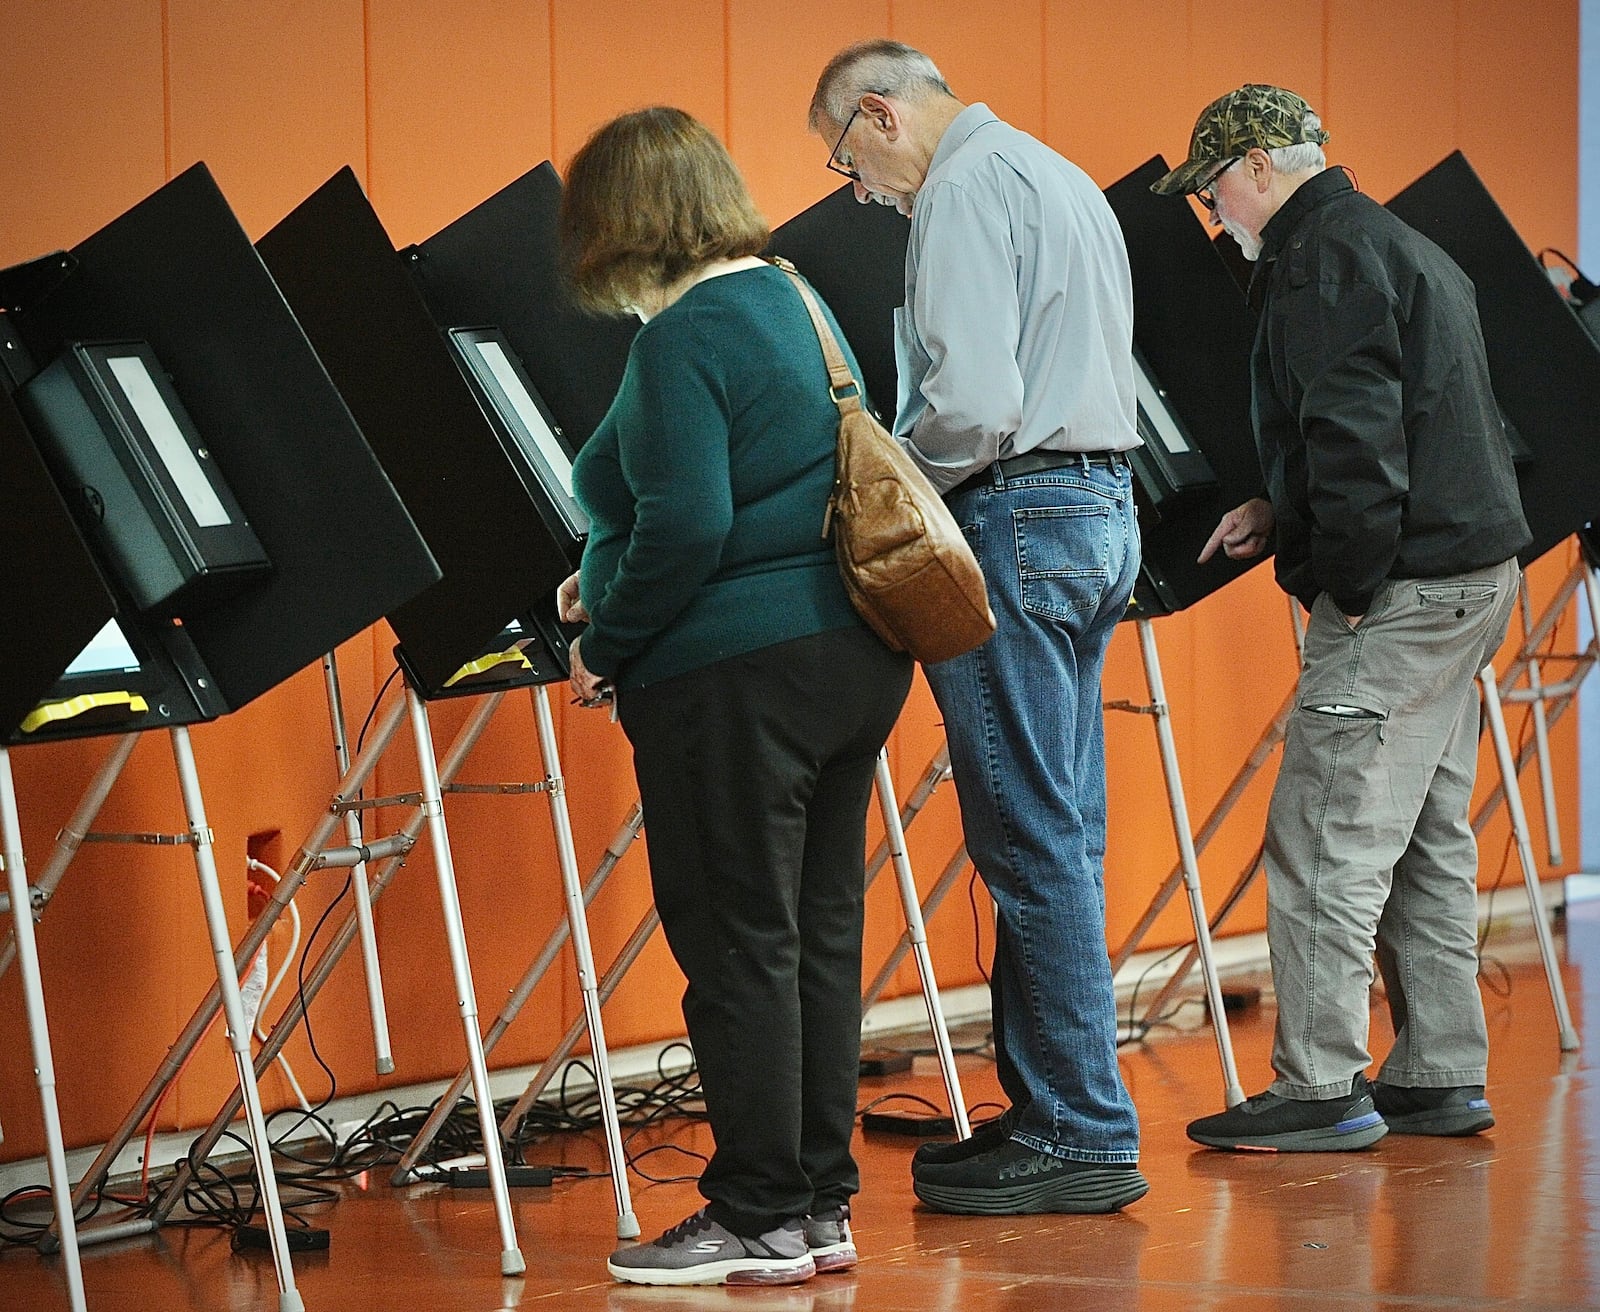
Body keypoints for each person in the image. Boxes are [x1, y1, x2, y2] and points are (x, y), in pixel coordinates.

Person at [556, 107, 913, 1283]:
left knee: (737, 942)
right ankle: (815, 1205)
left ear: (620, 223)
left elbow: (692, 524)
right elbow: (758, 486)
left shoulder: (681, 338)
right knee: (815, 932)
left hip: (732, 675)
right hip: (849, 655)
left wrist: (607, 638)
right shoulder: (793, 302)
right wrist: (599, 573)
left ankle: (755, 1210)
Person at [1151, 85, 1531, 1150]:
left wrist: (1350, 589)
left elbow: (1361, 447)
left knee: (1323, 833)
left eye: (1215, 188)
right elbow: (1408, 417)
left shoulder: (1316, 262)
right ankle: (1441, 1069)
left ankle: (1318, 1084)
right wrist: (1284, 510)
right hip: (1471, 575)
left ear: (1261, 166)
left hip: (1399, 591)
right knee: (1419, 832)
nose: (1214, 212)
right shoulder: (1395, 243)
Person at [809, 40, 1148, 1215]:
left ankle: (1082, 1132)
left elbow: (972, 405)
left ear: (878, 113)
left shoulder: (953, 191)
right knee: (1065, 829)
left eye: (847, 160)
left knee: (1027, 837)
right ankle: (1054, 1108)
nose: (859, 189)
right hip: (1103, 508)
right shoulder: (1056, 173)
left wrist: (886, 494)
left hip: (1015, 514)